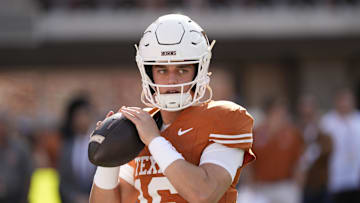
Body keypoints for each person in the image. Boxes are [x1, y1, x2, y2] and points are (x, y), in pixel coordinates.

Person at [89, 14, 255, 203]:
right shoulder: (136, 126)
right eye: (162, 70)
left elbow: (203, 194)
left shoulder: (223, 117)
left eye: (182, 70)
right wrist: (109, 159)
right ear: (149, 74)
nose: (172, 80)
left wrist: (154, 140)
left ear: (199, 69)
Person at [249, 97, 304, 203]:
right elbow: (249, 162)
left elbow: (298, 161)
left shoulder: (292, 133)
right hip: (262, 186)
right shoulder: (256, 133)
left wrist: (297, 186)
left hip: (285, 185)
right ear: (268, 113)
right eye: (276, 112)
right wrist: (251, 184)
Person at [320, 88, 360, 203]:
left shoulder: (358, 120)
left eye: (347, 100)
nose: (344, 104)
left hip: (356, 176)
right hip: (335, 177)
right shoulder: (327, 121)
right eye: (341, 100)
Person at [58, 95, 97, 203]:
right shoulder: (67, 146)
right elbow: (63, 182)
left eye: (83, 115)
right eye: (77, 116)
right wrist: (75, 197)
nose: (80, 120)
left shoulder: (101, 143)